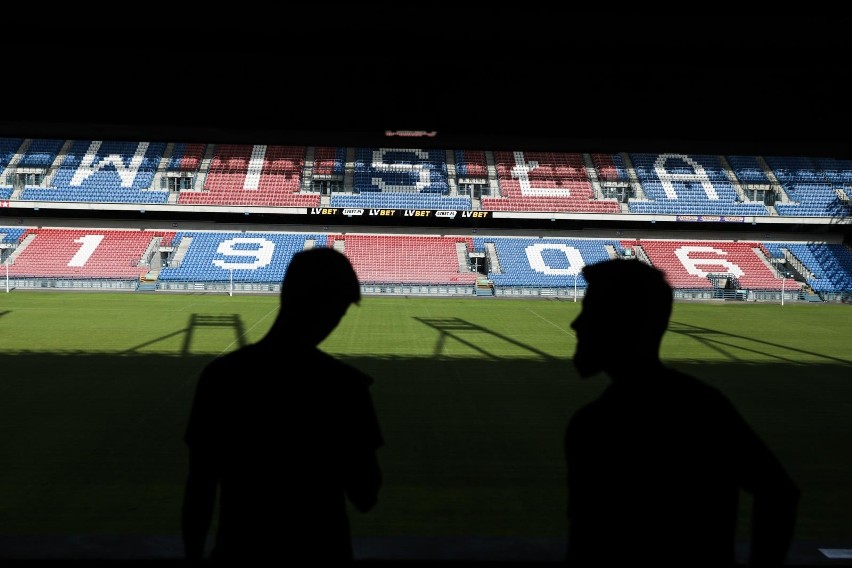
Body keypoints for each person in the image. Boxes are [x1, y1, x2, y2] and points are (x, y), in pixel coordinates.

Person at [564, 258, 799, 567]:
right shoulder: (704, 407)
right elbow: (778, 491)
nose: (575, 324)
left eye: (591, 311)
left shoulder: (593, 426)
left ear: (623, 324)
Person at [182, 247, 383, 563]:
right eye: (340, 311)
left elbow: (199, 488)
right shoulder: (344, 386)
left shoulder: (220, 378)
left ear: (286, 295)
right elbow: (365, 494)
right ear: (331, 307)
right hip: (321, 555)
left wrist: (193, 557)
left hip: (240, 553)